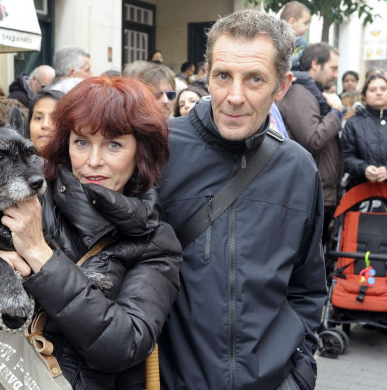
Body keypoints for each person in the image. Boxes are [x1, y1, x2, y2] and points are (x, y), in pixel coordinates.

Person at [0, 75, 182, 389]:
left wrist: (41, 255)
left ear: (141, 150)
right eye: (81, 142)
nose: (94, 161)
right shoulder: (31, 190)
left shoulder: (154, 241)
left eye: (114, 144)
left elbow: (124, 345)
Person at [158, 10, 327, 390]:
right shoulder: (160, 149)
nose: (234, 97)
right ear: (206, 73)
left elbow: (308, 287)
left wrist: (299, 375)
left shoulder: (299, 169)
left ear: (281, 86)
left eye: (254, 79)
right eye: (223, 76)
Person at [277, 42, 344, 246]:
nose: (335, 75)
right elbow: (313, 139)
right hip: (310, 194)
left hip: (320, 192)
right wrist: (336, 113)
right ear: (315, 64)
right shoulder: (299, 92)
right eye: (333, 68)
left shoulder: (312, 92)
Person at [342, 74, 387, 186]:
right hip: (361, 189)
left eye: (383, 89)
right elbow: (346, 156)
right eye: (372, 90)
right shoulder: (353, 123)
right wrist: (363, 168)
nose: (379, 92)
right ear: (364, 95)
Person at [26, 90, 65, 154]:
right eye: (38, 118)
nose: (45, 125)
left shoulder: (78, 163)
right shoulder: (16, 162)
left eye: (54, 119)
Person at [280, 1, 311, 70]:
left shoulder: (302, 45)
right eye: (305, 23)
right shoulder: (276, 42)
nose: (307, 27)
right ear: (292, 22)